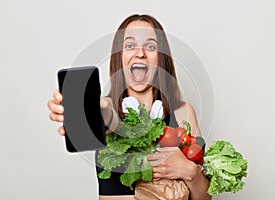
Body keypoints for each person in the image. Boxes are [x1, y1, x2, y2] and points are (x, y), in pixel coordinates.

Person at [47, 14, 212, 200]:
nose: (140, 53)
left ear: (161, 58)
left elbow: (205, 198)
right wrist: (84, 111)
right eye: (130, 46)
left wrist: (190, 171)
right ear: (120, 58)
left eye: (150, 46)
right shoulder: (108, 110)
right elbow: (106, 118)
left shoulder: (184, 113)